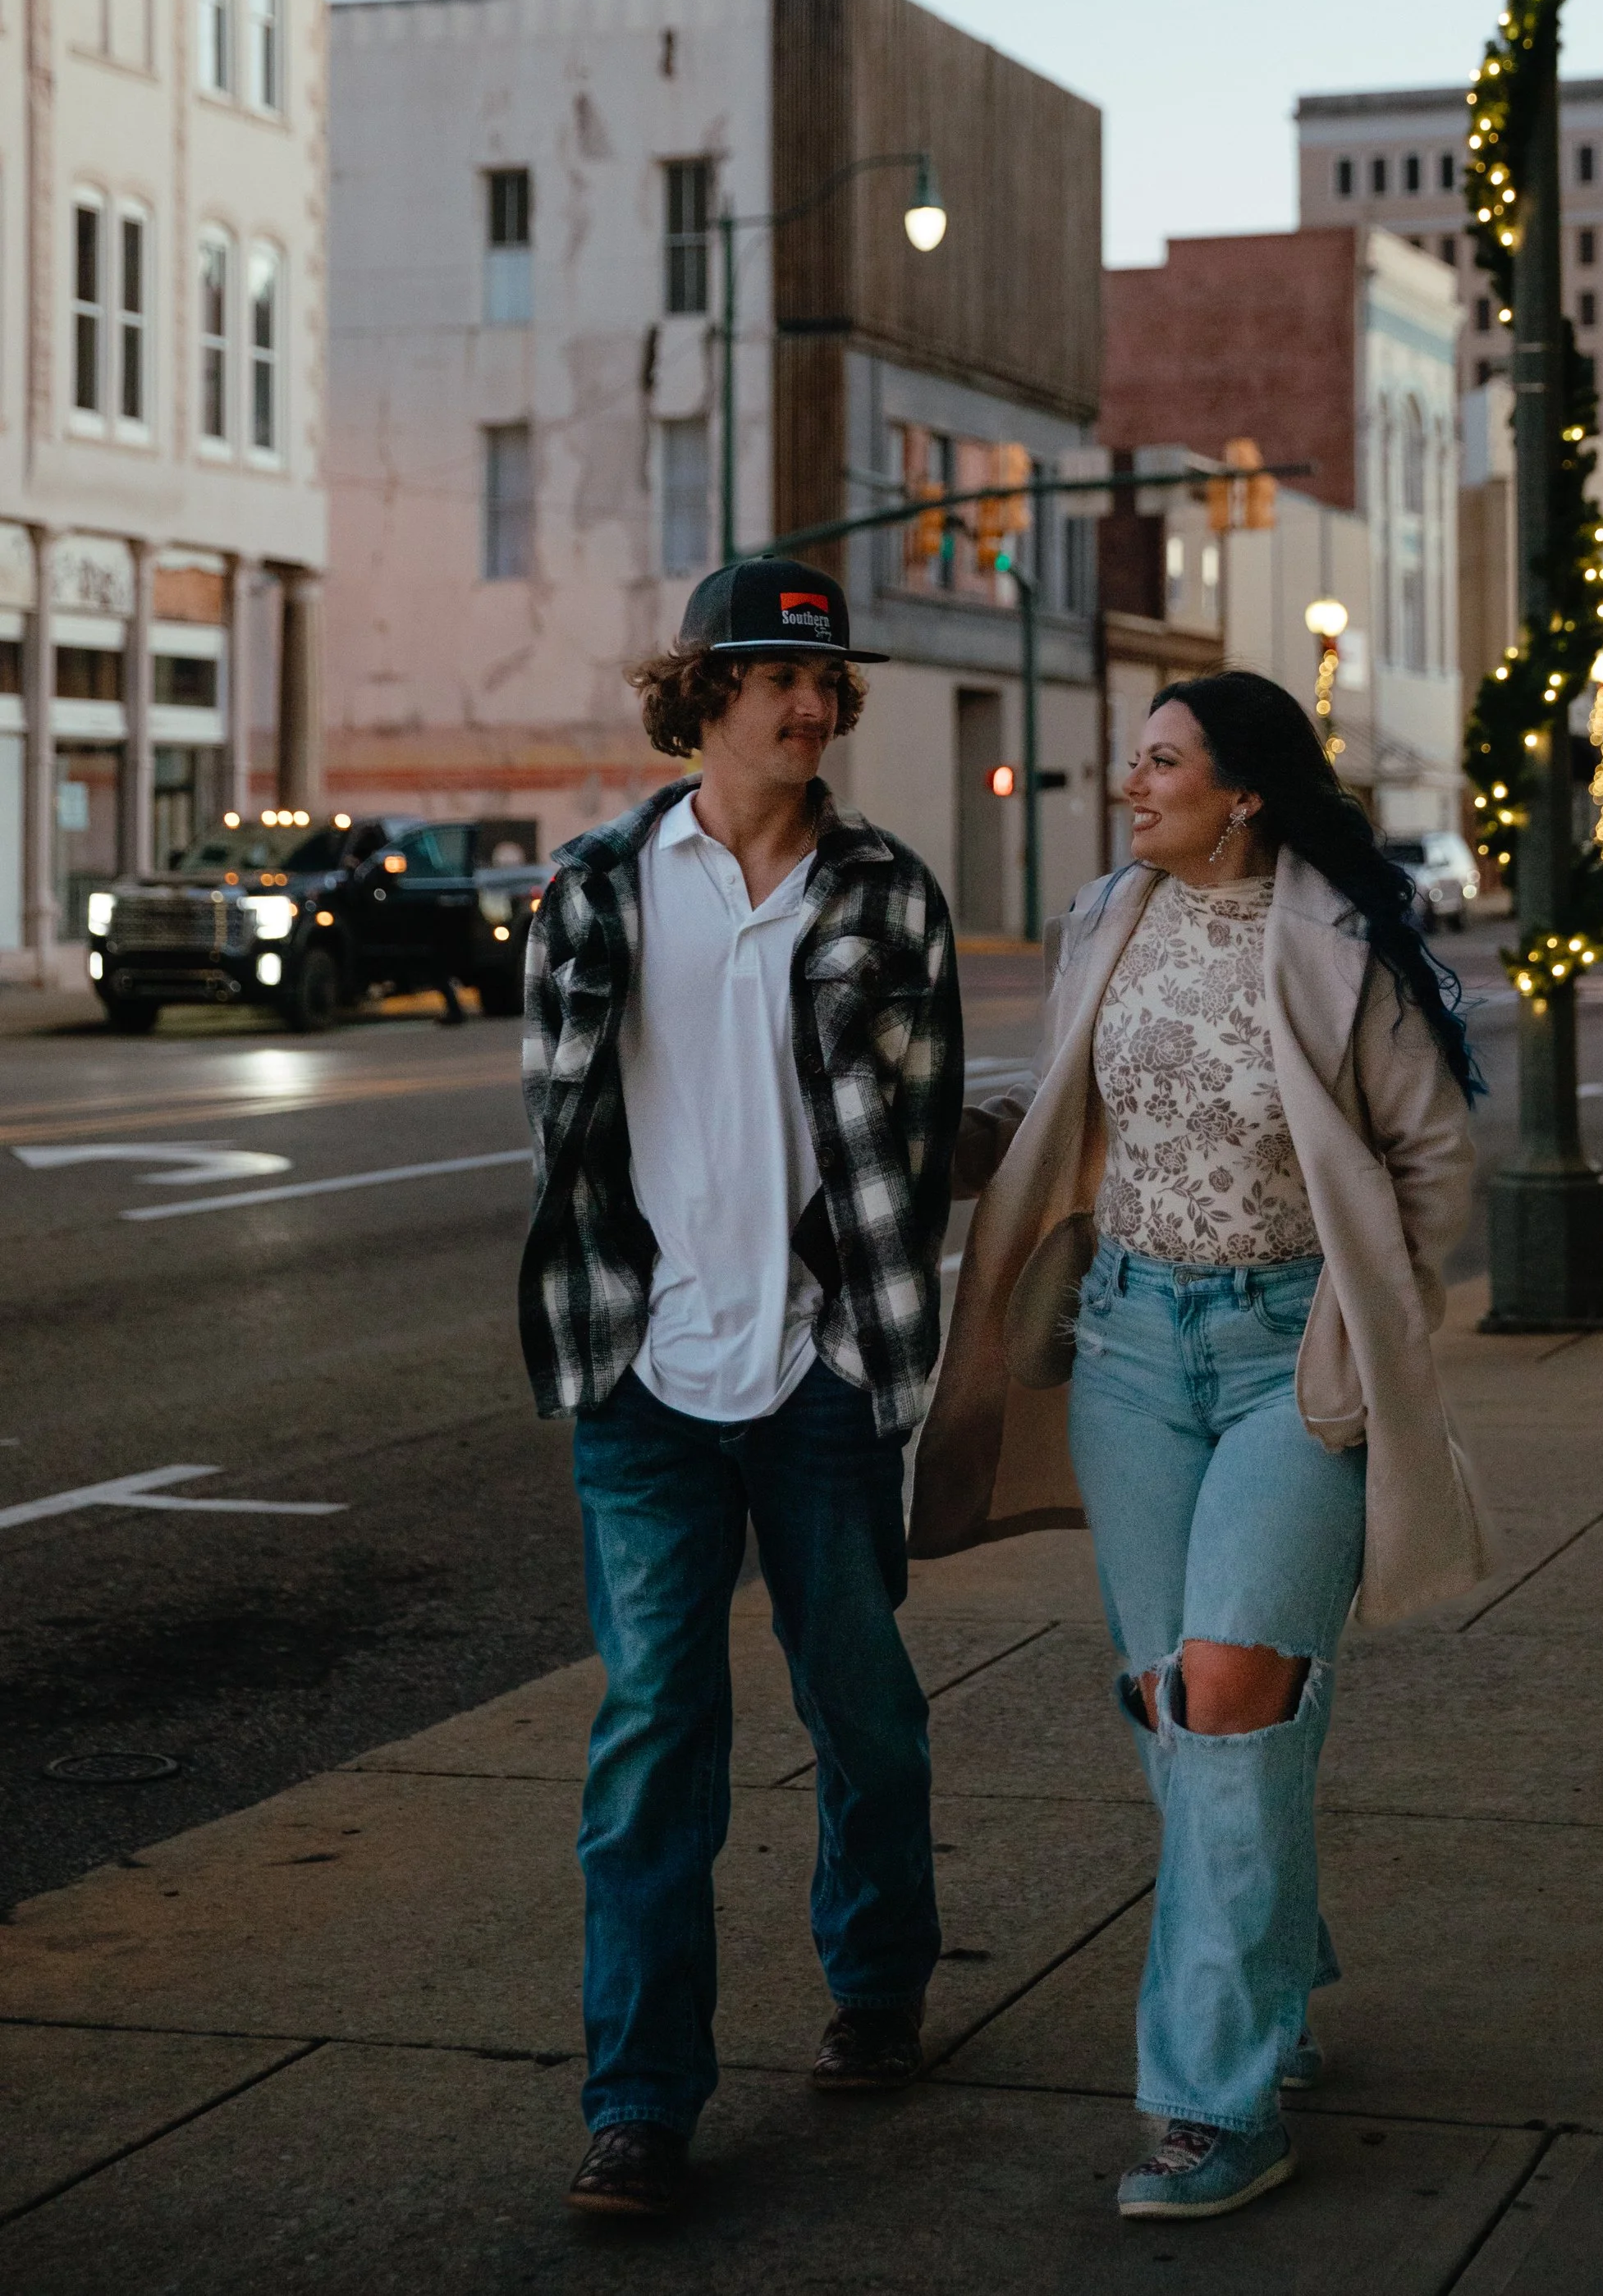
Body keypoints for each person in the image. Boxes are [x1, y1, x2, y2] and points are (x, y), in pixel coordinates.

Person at [914, 670, 1485, 2223]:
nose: (1131, 781)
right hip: (1125, 1350)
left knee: (1231, 1688)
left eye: (1161, 761)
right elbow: (1081, 1107)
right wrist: (941, 1135)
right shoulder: (1111, 912)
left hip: (1288, 1365)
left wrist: (1371, 1328)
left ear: (1244, 791)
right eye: (1134, 757)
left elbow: (1434, 1158)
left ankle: (1211, 2103)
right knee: (1178, 1702)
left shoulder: (1339, 941)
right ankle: (1277, 1969)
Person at [519, 556, 965, 2220]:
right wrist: (608, 1324)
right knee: (651, 1739)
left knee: (862, 1708)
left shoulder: (886, 894)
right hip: (647, 1382)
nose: (809, 704)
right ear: (699, 689)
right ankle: (637, 2103)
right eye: (778, 678)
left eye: (828, 681)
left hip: (820, 1377)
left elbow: (915, 1149)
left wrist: (867, 1327)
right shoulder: (597, 887)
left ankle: (879, 1979)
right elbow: (554, 1128)